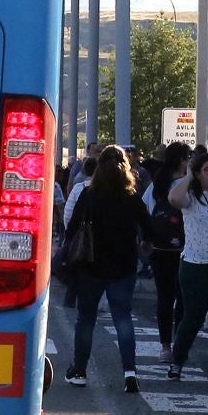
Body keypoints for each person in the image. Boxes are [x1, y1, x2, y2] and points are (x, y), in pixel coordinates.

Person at [63, 146, 151, 393]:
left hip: (90, 265)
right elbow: (148, 226)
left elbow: (72, 229)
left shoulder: (88, 194)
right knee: (122, 317)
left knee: (86, 318)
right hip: (123, 265)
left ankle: (79, 370)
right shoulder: (131, 197)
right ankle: (129, 371)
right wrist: (145, 243)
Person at [167, 151, 208, 382]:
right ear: (197, 174)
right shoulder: (190, 197)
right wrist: (188, 176)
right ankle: (177, 361)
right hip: (196, 263)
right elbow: (173, 199)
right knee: (193, 316)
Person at [143, 142, 193, 351]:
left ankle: (165, 346)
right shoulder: (186, 184)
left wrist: (146, 239)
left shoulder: (157, 183)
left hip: (159, 247)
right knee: (182, 297)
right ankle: (179, 345)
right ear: (182, 160)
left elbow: (146, 210)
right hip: (185, 247)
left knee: (164, 296)